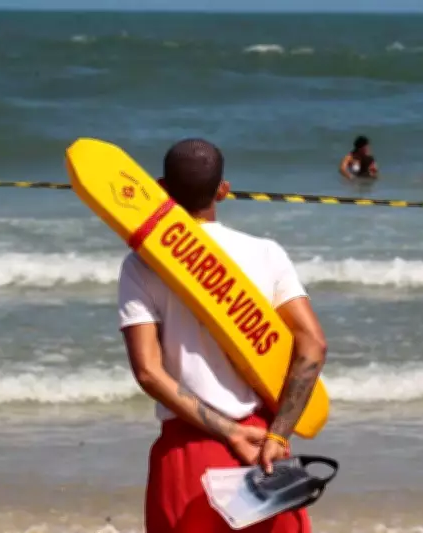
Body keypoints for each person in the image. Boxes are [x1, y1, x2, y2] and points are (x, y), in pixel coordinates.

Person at [118, 138, 328, 533]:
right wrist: (278, 435)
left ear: (160, 189)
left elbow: (148, 372)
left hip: (187, 451)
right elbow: (313, 345)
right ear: (223, 190)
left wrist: (230, 433)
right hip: (263, 450)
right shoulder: (265, 253)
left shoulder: (141, 266)